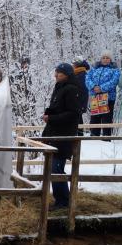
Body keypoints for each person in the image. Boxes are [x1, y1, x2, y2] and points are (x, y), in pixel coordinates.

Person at [42, 63, 82, 210]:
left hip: (63, 135)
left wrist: (51, 118)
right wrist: (49, 113)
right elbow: (59, 108)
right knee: (53, 168)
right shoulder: (60, 87)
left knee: (56, 168)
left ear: (66, 74)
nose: (55, 75)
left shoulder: (71, 89)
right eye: (56, 72)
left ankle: (63, 201)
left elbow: (73, 114)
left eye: (58, 73)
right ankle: (60, 200)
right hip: (54, 133)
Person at [85, 50, 120, 137]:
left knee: (106, 119)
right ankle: (93, 138)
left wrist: (101, 88)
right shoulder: (94, 69)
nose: (105, 59)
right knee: (94, 119)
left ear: (110, 59)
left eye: (107, 58)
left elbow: (114, 81)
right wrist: (93, 86)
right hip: (95, 97)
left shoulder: (115, 70)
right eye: (103, 58)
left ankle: (106, 139)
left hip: (108, 98)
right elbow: (87, 78)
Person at [72, 58, 90, 133]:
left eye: (73, 64)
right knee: (77, 118)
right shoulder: (77, 74)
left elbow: (83, 90)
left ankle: (79, 135)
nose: (72, 66)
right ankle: (78, 135)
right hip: (77, 101)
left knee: (77, 119)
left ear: (77, 65)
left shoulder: (81, 75)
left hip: (78, 101)